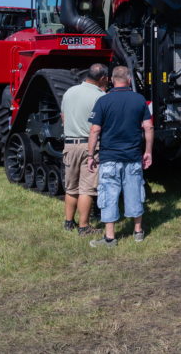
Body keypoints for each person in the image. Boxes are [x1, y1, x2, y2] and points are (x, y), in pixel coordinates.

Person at [86, 66, 153, 248]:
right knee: (134, 192)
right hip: (132, 156)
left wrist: (91, 155)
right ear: (129, 80)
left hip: (109, 157)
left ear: (111, 80)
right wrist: (148, 151)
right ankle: (138, 231)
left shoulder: (103, 101)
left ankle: (110, 237)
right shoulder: (139, 100)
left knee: (109, 195)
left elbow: (95, 130)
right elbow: (148, 127)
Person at [60, 63, 108, 235]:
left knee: (71, 187)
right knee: (87, 189)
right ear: (102, 78)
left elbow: (63, 117)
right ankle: (84, 226)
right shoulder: (101, 96)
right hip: (90, 145)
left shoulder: (69, 92)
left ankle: (68, 222)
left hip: (70, 144)